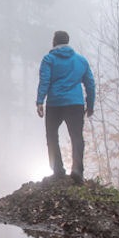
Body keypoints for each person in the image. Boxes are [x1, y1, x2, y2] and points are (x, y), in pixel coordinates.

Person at [36, 30, 96, 184]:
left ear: (54, 42)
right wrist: (90, 105)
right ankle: (77, 170)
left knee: (51, 135)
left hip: (55, 103)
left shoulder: (49, 59)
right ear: (67, 42)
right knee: (76, 136)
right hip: (75, 104)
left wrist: (40, 101)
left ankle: (58, 169)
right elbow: (90, 83)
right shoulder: (81, 61)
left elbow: (45, 81)